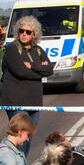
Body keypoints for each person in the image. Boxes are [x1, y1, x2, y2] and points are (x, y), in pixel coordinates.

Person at [0, 16, 53, 156]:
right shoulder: (12, 48)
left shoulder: (39, 50)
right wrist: (39, 72)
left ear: (34, 34)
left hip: (34, 101)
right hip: (16, 102)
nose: (23, 34)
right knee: (18, 138)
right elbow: (21, 72)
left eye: (28, 32)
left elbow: (50, 70)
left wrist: (33, 66)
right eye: (21, 31)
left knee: (27, 138)